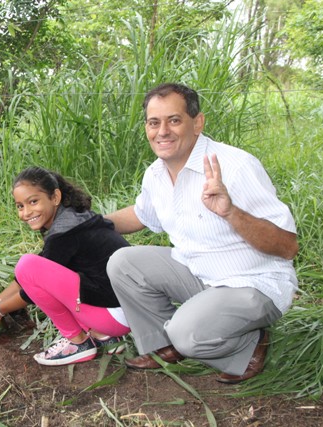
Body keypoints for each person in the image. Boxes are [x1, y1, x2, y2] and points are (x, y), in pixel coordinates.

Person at [105, 83, 298, 383]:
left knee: (187, 333)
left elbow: (287, 247)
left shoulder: (235, 166)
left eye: (174, 120)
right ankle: (164, 346)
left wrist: (230, 212)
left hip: (253, 284)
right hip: (200, 274)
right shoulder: (156, 173)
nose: (162, 131)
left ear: (198, 123)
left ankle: (248, 344)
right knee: (123, 263)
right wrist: (90, 222)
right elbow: (141, 215)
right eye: (154, 122)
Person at [0, 167, 131, 366]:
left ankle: (77, 342)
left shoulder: (63, 234)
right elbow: (31, 277)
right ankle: (105, 337)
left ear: (55, 197)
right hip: (130, 311)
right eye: (20, 206)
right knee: (34, 269)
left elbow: (32, 287)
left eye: (33, 202)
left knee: (27, 265)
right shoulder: (75, 218)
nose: (26, 212)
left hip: (113, 317)